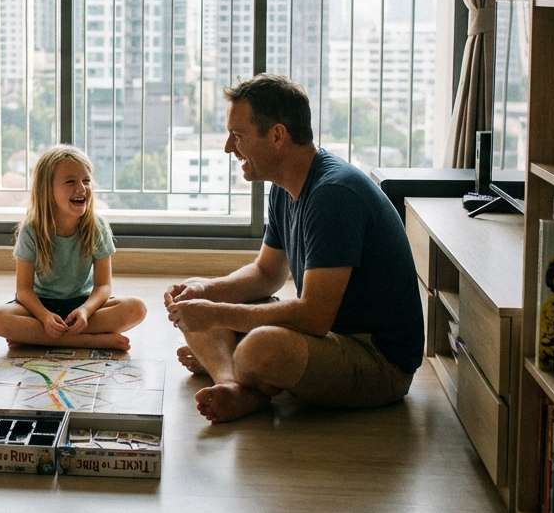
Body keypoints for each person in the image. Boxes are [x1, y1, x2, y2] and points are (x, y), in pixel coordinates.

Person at [164, 73, 423, 423]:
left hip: (377, 359)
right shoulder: (284, 188)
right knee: (199, 292)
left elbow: (314, 317)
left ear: (277, 136)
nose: (228, 148)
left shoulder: (332, 195)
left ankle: (233, 365)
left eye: (238, 136)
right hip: (330, 336)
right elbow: (266, 274)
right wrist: (204, 294)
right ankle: (233, 384)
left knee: (259, 348)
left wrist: (215, 315)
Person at [0, 145, 146, 350]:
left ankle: (36, 338)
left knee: (136, 308)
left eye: (86, 181)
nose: (81, 188)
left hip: (83, 304)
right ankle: (91, 341)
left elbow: (103, 286)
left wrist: (86, 311)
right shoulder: (31, 230)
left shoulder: (97, 226)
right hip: (40, 307)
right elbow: (24, 290)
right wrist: (44, 317)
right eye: (70, 182)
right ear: (47, 189)